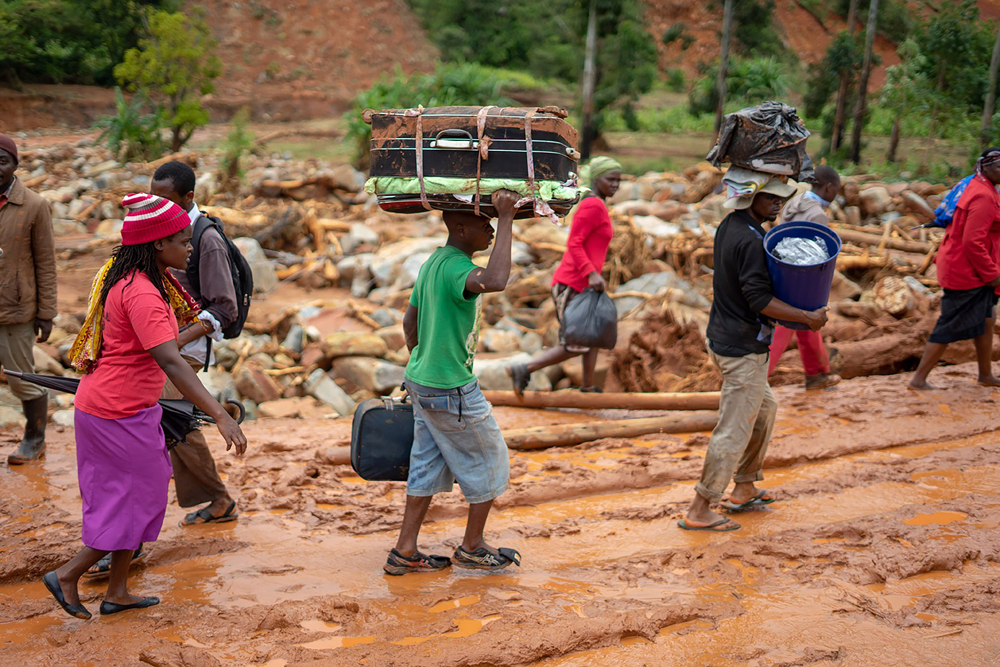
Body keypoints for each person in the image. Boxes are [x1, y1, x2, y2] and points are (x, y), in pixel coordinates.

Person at [44, 194, 247, 619]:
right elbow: (171, 359)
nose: (190, 249)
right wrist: (222, 415)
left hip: (123, 406)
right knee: (132, 499)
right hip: (114, 411)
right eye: (183, 241)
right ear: (157, 245)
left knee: (140, 495)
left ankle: (117, 591)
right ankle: (67, 574)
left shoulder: (143, 281)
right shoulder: (143, 295)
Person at [679, 168, 828, 533]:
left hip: (725, 337)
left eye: (780, 197)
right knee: (733, 429)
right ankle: (700, 508)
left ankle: (744, 487)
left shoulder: (733, 226)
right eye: (770, 197)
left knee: (765, 409)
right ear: (750, 197)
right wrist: (807, 317)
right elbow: (759, 299)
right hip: (742, 348)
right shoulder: (749, 240)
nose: (777, 202)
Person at [385, 190, 522, 575]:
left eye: (494, 223)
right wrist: (509, 215)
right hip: (450, 387)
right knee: (491, 459)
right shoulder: (456, 268)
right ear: (461, 228)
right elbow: (496, 279)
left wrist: (421, 359)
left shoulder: (433, 263)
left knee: (426, 463)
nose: (492, 229)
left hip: (422, 380)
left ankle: (405, 550)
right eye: (485, 223)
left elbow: (409, 322)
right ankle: (473, 546)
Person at [151, 161, 240, 526]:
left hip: (182, 348)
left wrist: (174, 339)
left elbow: (224, 306)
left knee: (176, 425)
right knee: (173, 424)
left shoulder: (207, 240)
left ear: (188, 197)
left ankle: (218, 499)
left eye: (165, 199)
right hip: (165, 344)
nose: (156, 206)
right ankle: (216, 498)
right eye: (152, 198)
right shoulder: (163, 228)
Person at [507, 156, 621, 394]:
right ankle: (525, 368)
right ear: (596, 179)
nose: (615, 185)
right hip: (573, 283)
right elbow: (574, 243)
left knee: (593, 335)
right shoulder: (592, 205)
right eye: (610, 179)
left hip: (586, 285)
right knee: (575, 341)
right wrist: (591, 273)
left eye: (618, 180)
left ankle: (588, 386)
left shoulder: (597, 203)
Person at [909, 148, 1000, 390]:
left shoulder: (978, 185)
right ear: (986, 167)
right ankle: (918, 379)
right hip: (966, 270)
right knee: (949, 323)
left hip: (968, 265)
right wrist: (992, 275)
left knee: (988, 318)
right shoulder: (984, 196)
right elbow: (972, 242)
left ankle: (985, 374)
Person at [0, 134, 58, 465]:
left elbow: (46, 263)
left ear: (15, 165)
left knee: (22, 379)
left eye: (2, 161)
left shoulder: (34, 205)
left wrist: (46, 313)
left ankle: (35, 439)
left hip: (17, 311)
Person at [767, 165, 842, 391]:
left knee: (806, 326)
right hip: (802, 279)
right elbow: (818, 255)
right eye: (836, 190)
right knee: (783, 331)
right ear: (828, 187)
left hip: (781, 273)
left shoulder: (793, 203)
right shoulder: (817, 214)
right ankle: (757, 378)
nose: (836, 195)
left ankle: (817, 374)